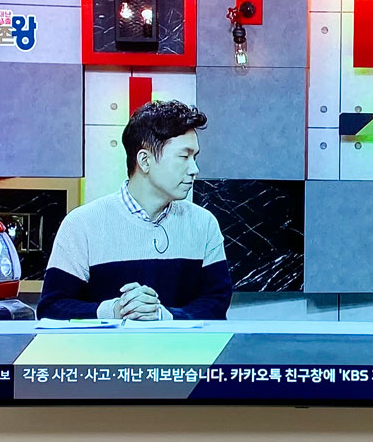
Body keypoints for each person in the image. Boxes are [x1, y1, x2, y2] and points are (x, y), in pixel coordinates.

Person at [37, 100, 232, 320]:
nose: (194, 169)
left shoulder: (203, 224)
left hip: (179, 343)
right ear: (144, 161)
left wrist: (165, 317)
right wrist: (115, 311)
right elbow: (52, 308)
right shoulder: (82, 224)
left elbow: (217, 302)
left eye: (194, 157)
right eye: (183, 157)